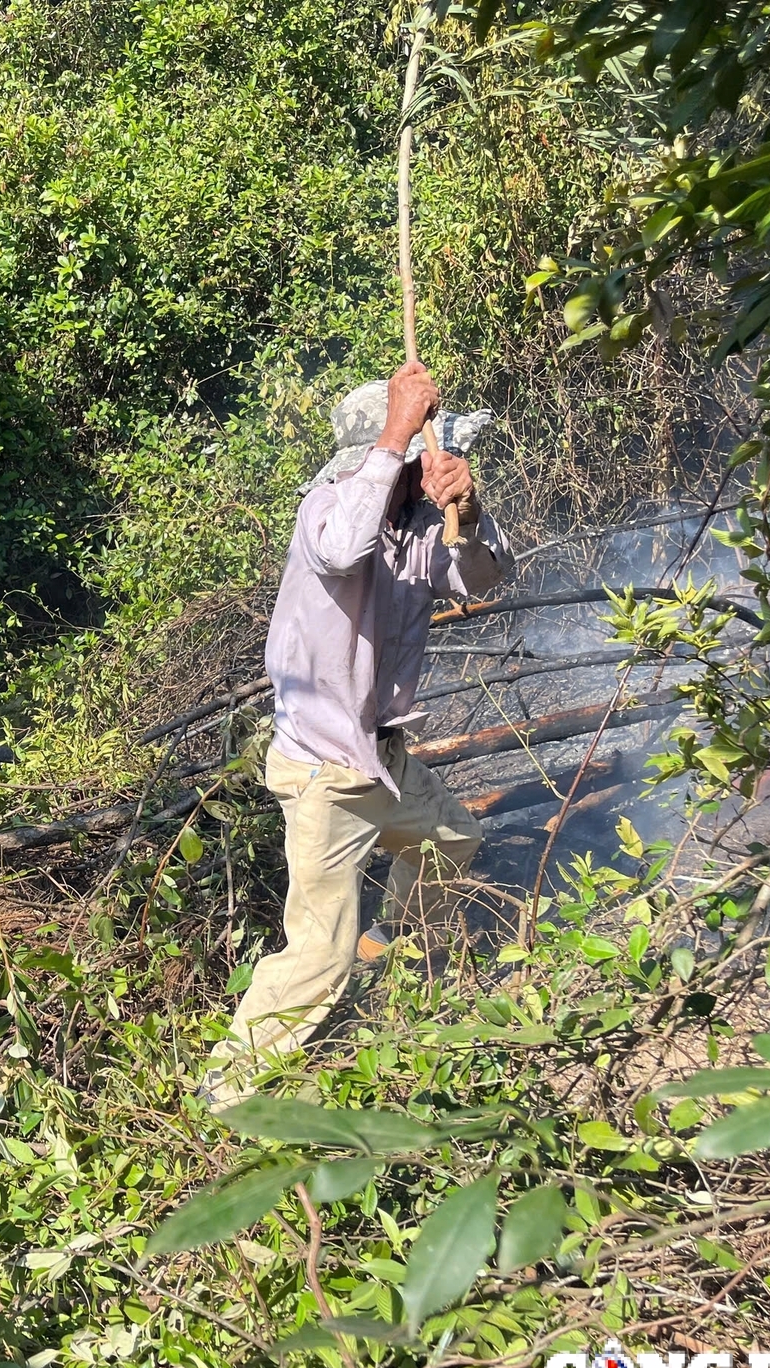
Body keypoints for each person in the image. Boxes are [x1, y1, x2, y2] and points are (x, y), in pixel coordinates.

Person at [199, 364, 513, 1108]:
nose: (427, 466)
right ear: (391, 457)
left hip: (383, 757)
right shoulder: (328, 509)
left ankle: (391, 954)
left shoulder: (414, 526)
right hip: (325, 771)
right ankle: (228, 1088)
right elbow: (343, 549)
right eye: (418, 457)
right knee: (317, 952)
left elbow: (482, 580)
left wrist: (470, 508)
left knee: (452, 843)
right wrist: (398, 429)